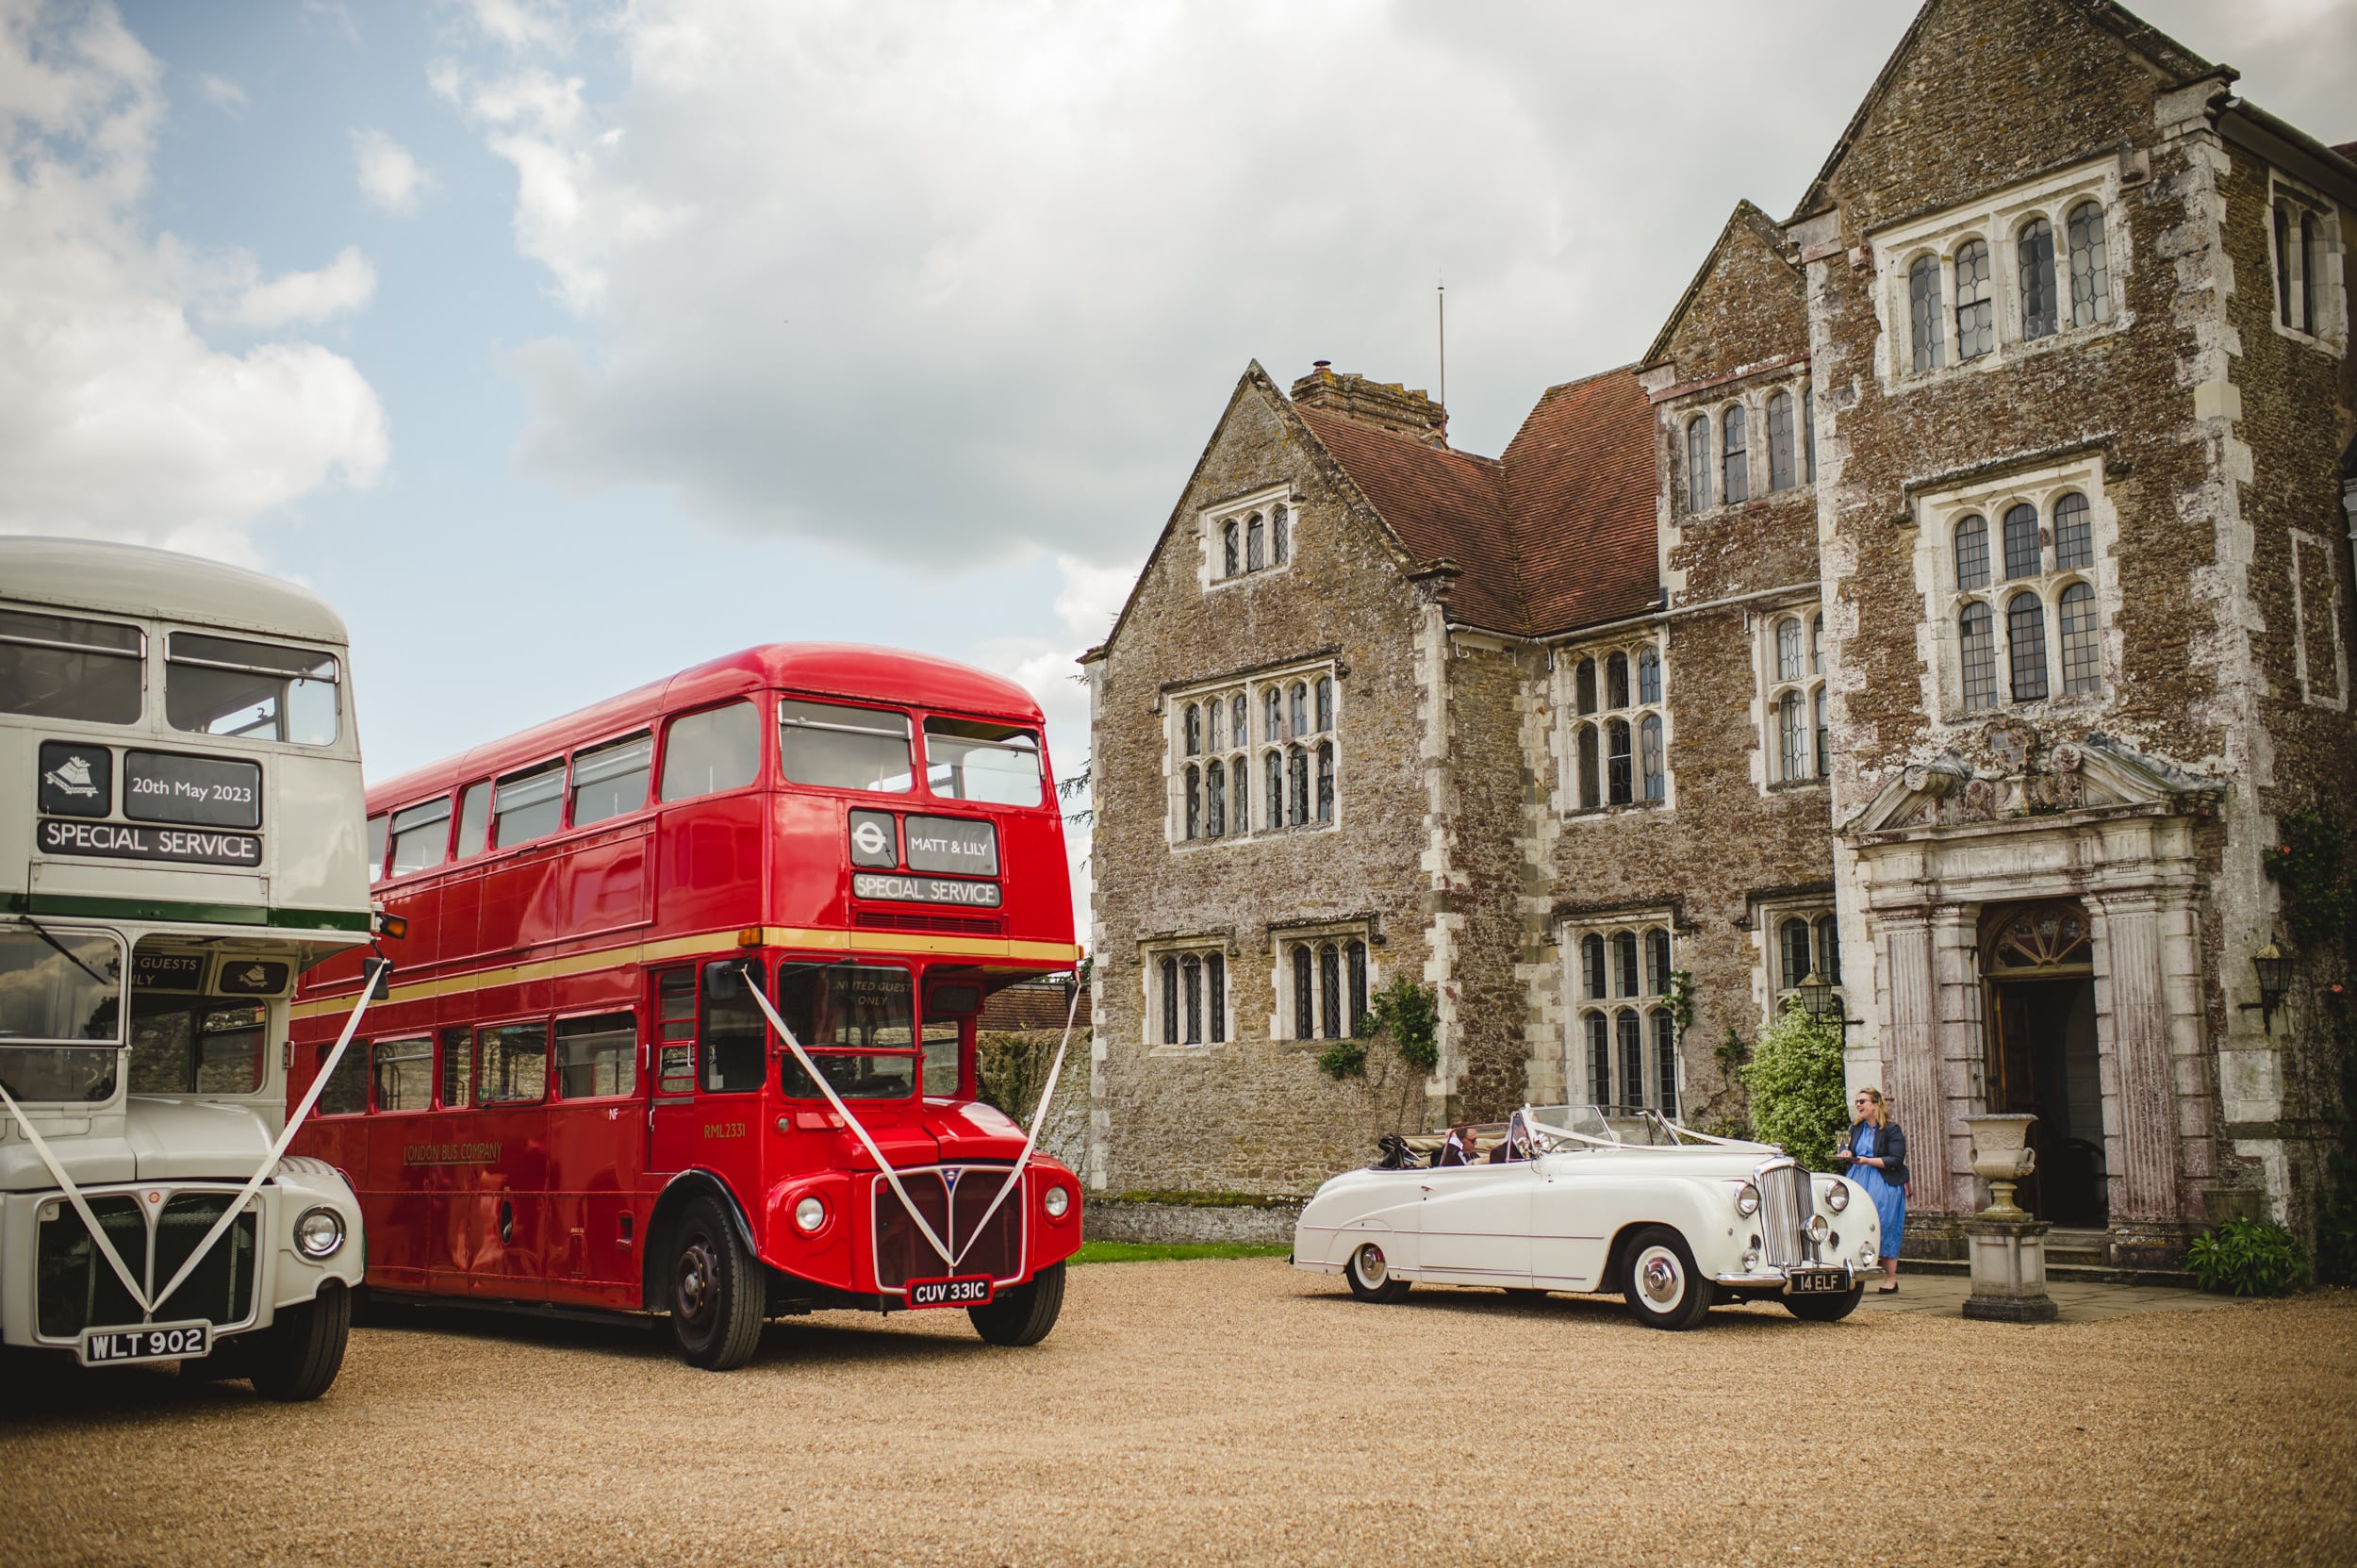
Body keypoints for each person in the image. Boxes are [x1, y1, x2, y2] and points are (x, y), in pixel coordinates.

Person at [1835, 1086, 1909, 1293]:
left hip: (1884, 1183)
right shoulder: (1855, 1128)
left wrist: (1868, 1160)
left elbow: (1896, 1159)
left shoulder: (1891, 1130)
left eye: (1863, 1101)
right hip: (1858, 1180)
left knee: (1884, 1226)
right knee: (1852, 1224)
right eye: (1857, 1101)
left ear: (1876, 1105)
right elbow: (1843, 1147)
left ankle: (1890, 1278)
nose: (1858, 1105)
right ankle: (1854, 1273)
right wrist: (1845, 1152)